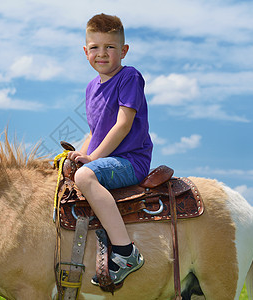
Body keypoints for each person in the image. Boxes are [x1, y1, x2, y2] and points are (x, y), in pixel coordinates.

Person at [67, 13, 153, 285]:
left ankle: (126, 252)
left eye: (110, 47)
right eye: (94, 47)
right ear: (85, 51)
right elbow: (94, 132)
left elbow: (123, 125)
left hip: (130, 160)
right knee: (71, 173)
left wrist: (91, 161)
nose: (101, 54)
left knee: (85, 177)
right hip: (104, 159)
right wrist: (80, 156)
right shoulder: (91, 87)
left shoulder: (129, 77)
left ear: (124, 50)